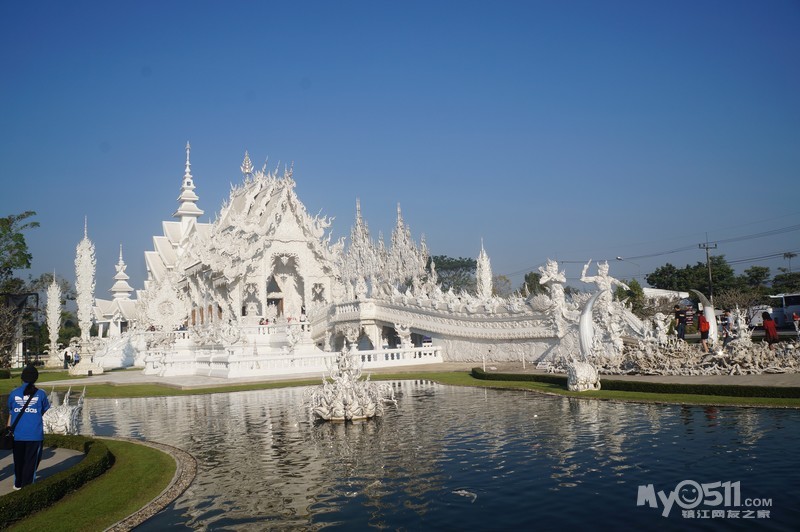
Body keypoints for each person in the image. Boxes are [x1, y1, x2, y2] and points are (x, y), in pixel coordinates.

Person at [6, 365, 50, 489]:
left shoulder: (14, 394)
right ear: (35, 378)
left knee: (18, 461)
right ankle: (27, 488)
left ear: (22, 377)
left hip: (17, 434)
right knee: (31, 463)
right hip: (34, 434)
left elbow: (11, 411)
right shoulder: (41, 394)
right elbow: (43, 410)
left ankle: (18, 484)